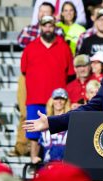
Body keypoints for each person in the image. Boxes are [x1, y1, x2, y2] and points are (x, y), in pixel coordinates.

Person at [21, 15, 75, 163]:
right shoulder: (30, 47)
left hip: (57, 99)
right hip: (35, 98)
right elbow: (24, 70)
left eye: (51, 25)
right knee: (33, 131)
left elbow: (70, 73)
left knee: (58, 128)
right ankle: (34, 161)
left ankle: (60, 160)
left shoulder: (64, 47)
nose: (48, 28)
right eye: (45, 25)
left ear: (54, 27)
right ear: (40, 27)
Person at [31, 88, 70, 164]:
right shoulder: (45, 121)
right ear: (52, 101)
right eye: (56, 98)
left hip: (65, 166)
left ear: (66, 102)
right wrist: (34, 157)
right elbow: (39, 143)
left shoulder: (70, 121)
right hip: (47, 165)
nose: (59, 101)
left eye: (62, 99)